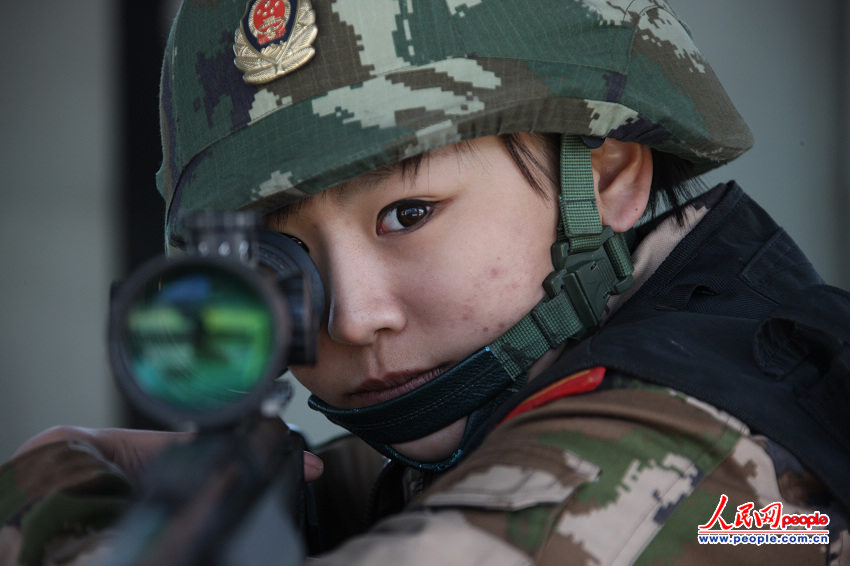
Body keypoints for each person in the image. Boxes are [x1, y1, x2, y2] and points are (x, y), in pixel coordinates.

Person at [2, 0, 849, 564]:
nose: (355, 316)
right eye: (275, 259)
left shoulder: (686, 454)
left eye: (408, 216)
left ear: (613, 175)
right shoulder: (511, 405)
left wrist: (58, 501)